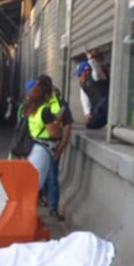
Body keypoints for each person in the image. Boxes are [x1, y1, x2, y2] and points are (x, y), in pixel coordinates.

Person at [22, 75, 63, 192]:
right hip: (44, 149)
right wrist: (59, 127)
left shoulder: (30, 108)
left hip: (32, 146)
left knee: (31, 183)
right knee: (35, 185)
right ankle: (29, 209)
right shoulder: (45, 111)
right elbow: (53, 133)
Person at [43, 87, 72, 221]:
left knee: (50, 176)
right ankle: (49, 204)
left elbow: (66, 128)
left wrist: (60, 148)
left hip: (48, 145)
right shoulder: (43, 105)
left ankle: (50, 205)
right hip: (49, 145)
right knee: (51, 176)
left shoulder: (60, 106)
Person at [75, 52, 109, 129]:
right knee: (90, 124)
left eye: (80, 74)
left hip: (106, 108)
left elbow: (97, 70)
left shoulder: (96, 76)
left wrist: (91, 59)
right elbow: (84, 99)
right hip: (97, 110)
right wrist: (87, 113)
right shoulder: (83, 85)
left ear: (87, 72)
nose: (79, 77)